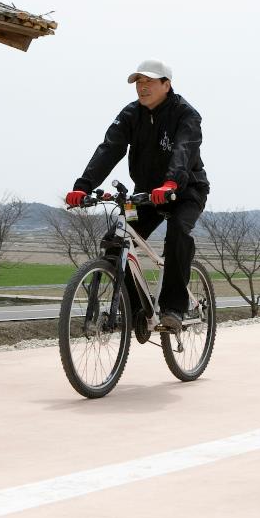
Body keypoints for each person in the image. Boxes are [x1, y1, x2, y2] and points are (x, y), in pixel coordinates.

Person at [65, 60, 209, 331]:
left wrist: (170, 184)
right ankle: (137, 311)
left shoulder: (186, 114)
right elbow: (109, 149)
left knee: (178, 232)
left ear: (166, 84)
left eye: (149, 82)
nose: (142, 88)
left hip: (185, 191)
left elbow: (183, 150)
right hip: (145, 196)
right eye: (138, 83)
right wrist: (82, 187)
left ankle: (174, 308)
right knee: (114, 240)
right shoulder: (131, 114)